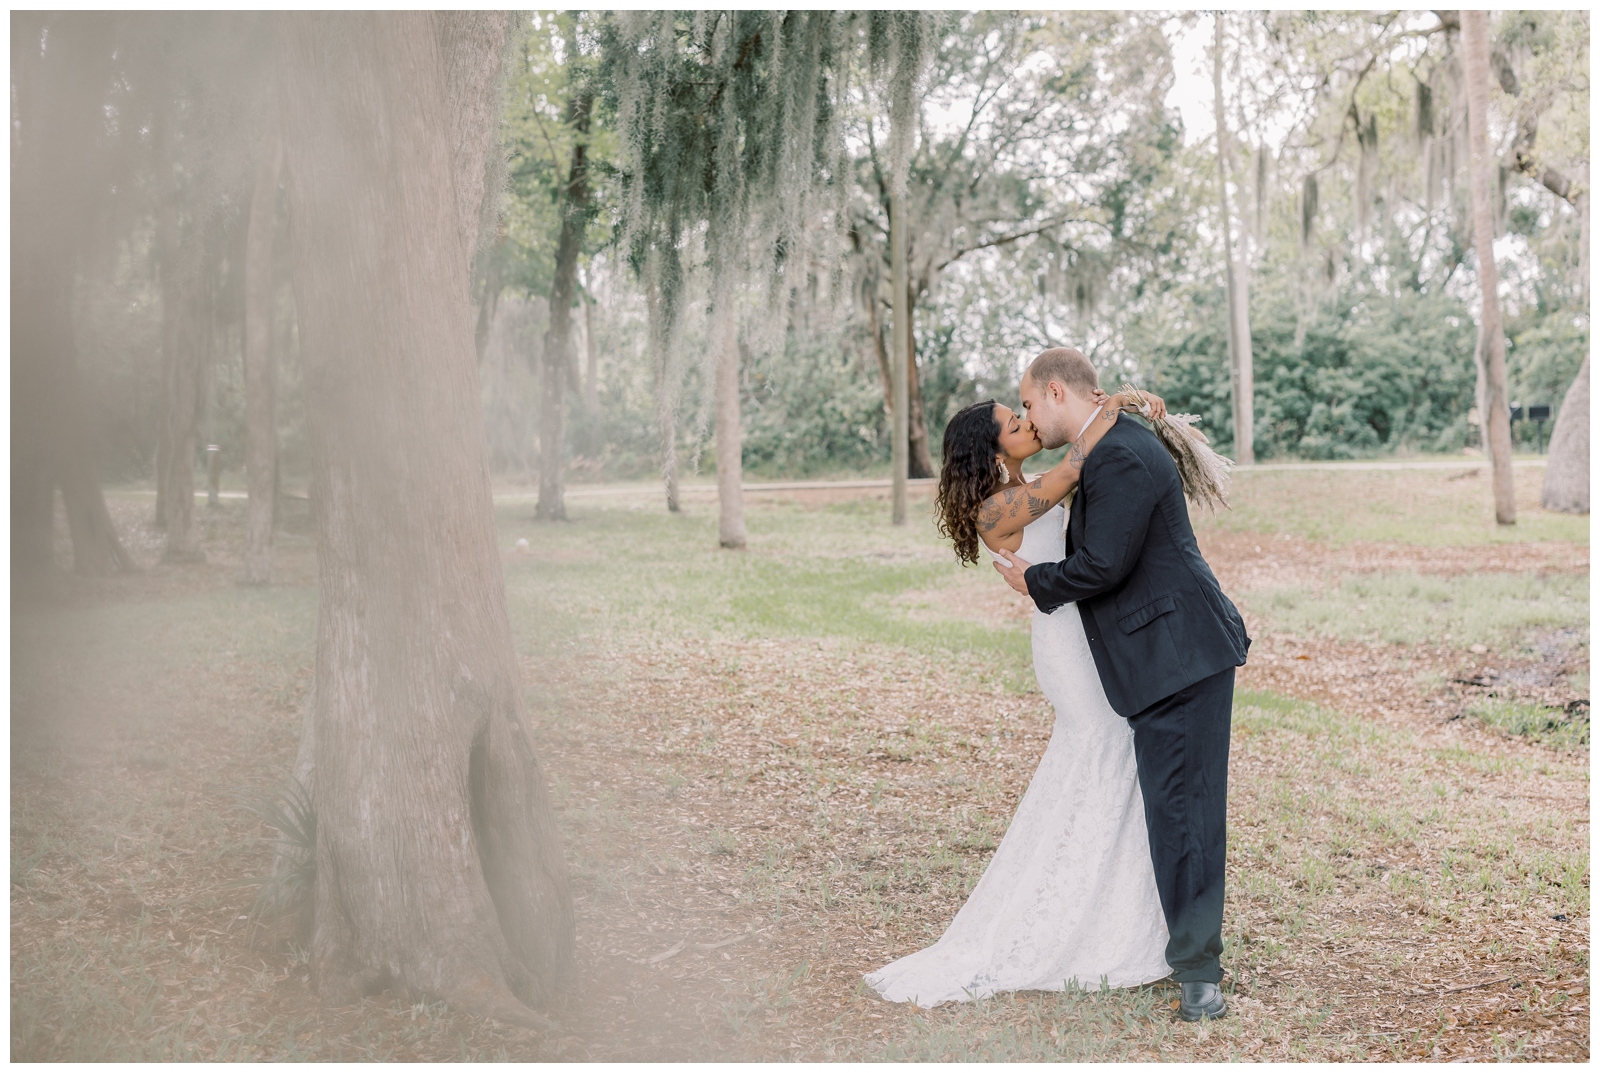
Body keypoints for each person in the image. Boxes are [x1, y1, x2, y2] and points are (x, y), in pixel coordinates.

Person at [865, 377, 1180, 1009]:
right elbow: (1073, 464)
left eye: (1026, 413)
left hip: (1085, 638)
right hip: (1069, 652)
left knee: (1107, 763)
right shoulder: (996, 510)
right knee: (1104, 753)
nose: (1030, 424)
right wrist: (1106, 408)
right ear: (991, 450)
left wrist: (1105, 407)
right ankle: (1077, 917)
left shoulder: (1021, 490)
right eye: (1016, 423)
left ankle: (1113, 907)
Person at [994, 347, 1249, 1022]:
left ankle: (1200, 974)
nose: (1026, 415)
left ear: (1055, 392)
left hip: (1182, 656)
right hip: (1163, 659)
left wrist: (1034, 582)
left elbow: (1103, 563)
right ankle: (1186, 954)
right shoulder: (1101, 449)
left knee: (1185, 813)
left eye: (1026, 402)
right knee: (1173, 810)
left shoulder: (1120, 457)